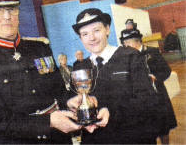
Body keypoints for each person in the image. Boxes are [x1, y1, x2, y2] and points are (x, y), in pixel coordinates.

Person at [0, 0, 99, 144]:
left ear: (18, 14)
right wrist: (48, 122)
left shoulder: (40, 47)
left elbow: (59, 91)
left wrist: (71, 100)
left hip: (58, 139)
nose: (7, 17)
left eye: (12, 9)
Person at [68, 8, 161, 144]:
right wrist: (71, 104)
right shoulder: (80, 68)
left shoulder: (130, 56)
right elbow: (74, 98)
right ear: (81, 38)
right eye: (85, 34)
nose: (92, 38)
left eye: (97, 30)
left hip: (132, 137)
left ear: (107, 29)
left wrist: (111, 111)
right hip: (97, 139)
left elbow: (148, 100)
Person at [120, 28, 177, 144]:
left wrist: (155, 77)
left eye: (127, 43)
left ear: (136, 42)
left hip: (158, 97)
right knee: (147, 130)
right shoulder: (126, 57)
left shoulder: (153, 52)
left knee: (164, 128)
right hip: (140, 100)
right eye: (124, 43)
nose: (125, 46)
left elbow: (166, 70)